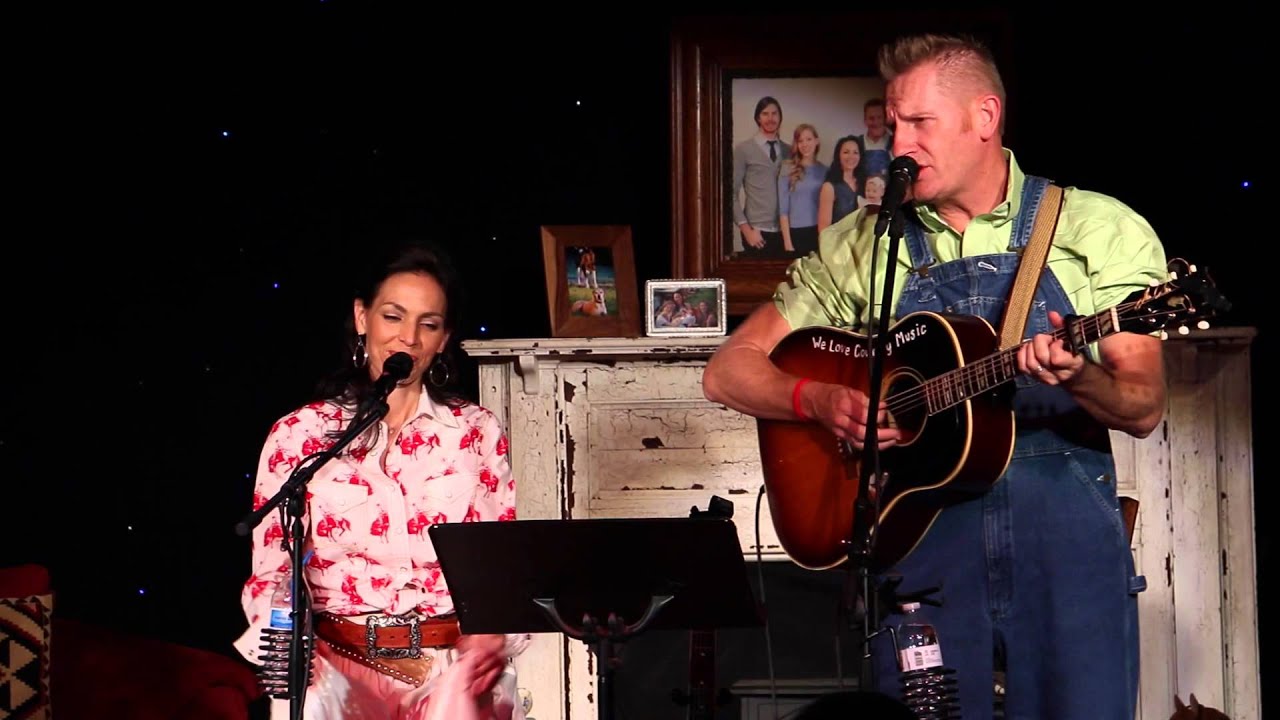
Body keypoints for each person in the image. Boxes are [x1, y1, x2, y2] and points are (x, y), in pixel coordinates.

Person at [703, 33, 1166, 720]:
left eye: (920, 122)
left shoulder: (1096, 229)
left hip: (1064, 557)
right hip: (922, 552)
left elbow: (1142, 405)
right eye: (892, 124)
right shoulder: (865, 242)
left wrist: (1079, 378)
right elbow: (727, 371)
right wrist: (818, 398)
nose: (899, 143)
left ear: (985, 118)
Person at [234, 240, 529, 720]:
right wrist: (286, 644)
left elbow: (499, 563)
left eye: (427, 324)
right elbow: (275, 568)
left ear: (443, 339)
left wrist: (492, 634)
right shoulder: (301, 434)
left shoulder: (475, 432)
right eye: (393, 317)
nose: (407, 338)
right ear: (361, 318)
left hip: (448, 668)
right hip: (333, 669)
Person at [732, 96, 790, 257]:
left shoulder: (789, 151)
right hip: (757, 232)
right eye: (765, 114)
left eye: (774, 113)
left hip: (785, 232)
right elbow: (730, 193)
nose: (770, 118)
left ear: (780, 117)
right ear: (758, 117)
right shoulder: (743, 150)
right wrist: (747, 230)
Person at [777, 123, 827, 257]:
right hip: (795, 233)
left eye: (809, 139)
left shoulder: (825, 171)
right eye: (800, 141)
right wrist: (788, 243)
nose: (805, 144)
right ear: (796, 144)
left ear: (816, 141)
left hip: (818, 232)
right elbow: (783, 211)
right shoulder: (787, 168)